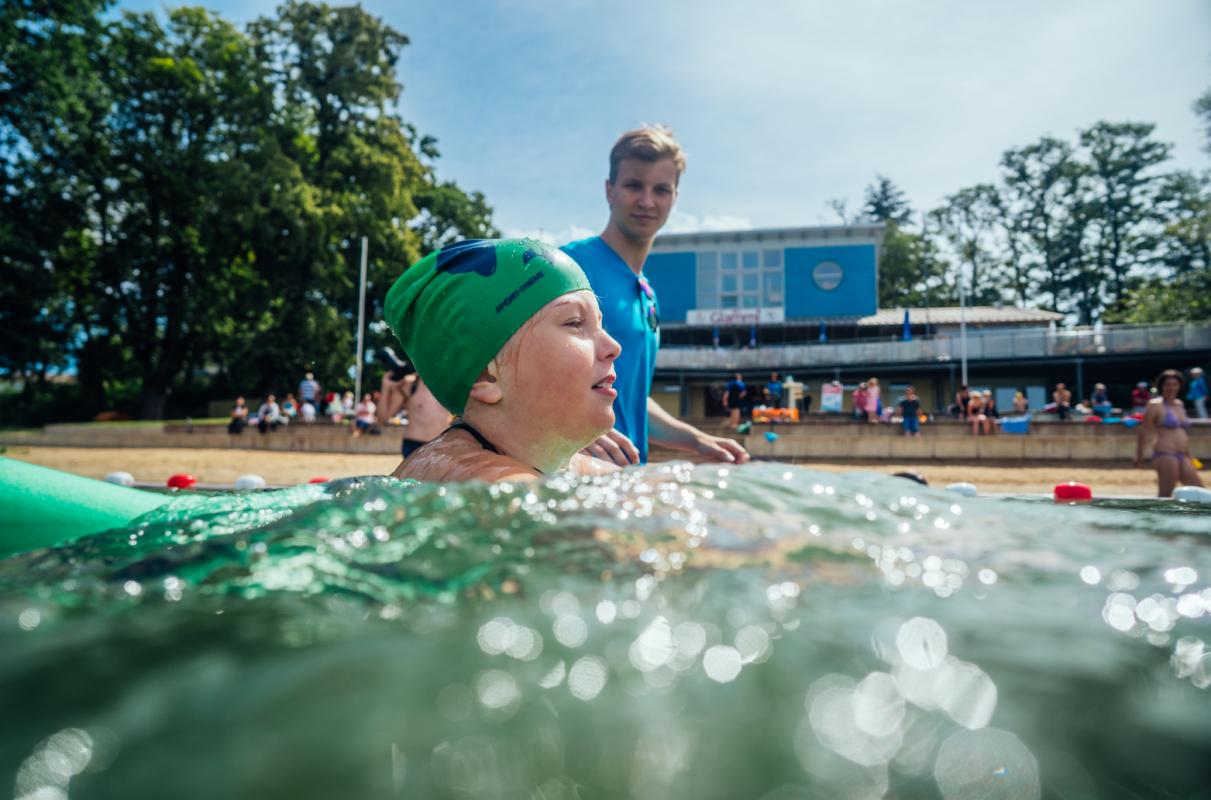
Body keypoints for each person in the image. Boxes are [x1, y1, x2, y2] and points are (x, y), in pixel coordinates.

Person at [561, 126, 748, 467]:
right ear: (609, 190)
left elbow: (630, 397)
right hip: (568, 477)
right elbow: (511, 369)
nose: (647, 201)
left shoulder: (647, 294)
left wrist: (698, 440)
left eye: (660, 189)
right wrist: (566, 427)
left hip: (625, 480)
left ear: (674, 198)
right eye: (634, 185)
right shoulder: (567, 267)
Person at [384, 238, 624, 482]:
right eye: (575, 323)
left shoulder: (556, 466)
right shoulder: (480, 479)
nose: (614, 347)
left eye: (602, 325)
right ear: (485, 376)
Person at [1136, 369, 1205, 497]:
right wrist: (1139, 456)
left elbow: (1181, 434)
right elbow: (1144, 431)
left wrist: (1189, 456)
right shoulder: (1155, 405)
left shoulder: (1180, 404)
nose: (1171, 387)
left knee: (1199, 492)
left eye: (1174, 384)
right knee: (1166, 494)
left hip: (1182, 455)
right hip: (1165, 453)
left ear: (1180, 386)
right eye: (1167, 384)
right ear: (1161, 386)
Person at [379, 371, 453, 458]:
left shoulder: (452, 382)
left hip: (443, 446)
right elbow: (382, 419)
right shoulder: (410, 383)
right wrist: (385, 387)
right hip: (415, 446)